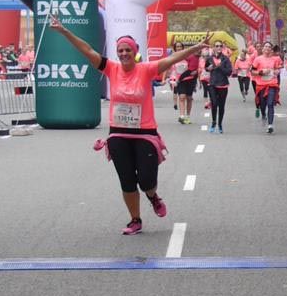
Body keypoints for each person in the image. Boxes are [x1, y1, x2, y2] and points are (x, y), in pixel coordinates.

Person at [48, 15, 208, 234]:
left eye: (128, 50)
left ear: (135, 52)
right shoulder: (111, 68)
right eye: (121, 50)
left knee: (146, 180)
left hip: (145, 133)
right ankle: (135, 220)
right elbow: (87, 50)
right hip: (118, 134)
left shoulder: (146, 69)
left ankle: (152, 196)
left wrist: (196, 48)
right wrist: (65, 31)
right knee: (127, 180)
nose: (124, 53)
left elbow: (173, 58)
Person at [253, 42, 283, 133]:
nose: (267, 48)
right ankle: (263, 114)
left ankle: (270, 125)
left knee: (270, 104)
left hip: (272, 84)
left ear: (271, 49)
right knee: (262, 104)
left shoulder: (275, 59)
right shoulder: (258, 59)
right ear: (263, 48)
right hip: (261, 85)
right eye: (266, 46)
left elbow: (278, 69)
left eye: (269, 47)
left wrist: (277, 71)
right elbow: (252, 71)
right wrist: (261, 72)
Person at [205, 40, 233, 134]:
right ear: (214, 47)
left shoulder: (225, 59)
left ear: (222, 47)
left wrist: (220, 66)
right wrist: (208, 68)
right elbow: (206, 68)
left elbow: (229, 72)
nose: (219, 47)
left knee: (221, 105)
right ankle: (213, 122)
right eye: (217, 46)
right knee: (214, 103)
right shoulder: (209, 58)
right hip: (212, 84)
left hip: (223, 84)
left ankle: (220, 124)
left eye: (220, 46)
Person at [175, 42, 200, 125]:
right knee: (182, 97)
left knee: (189, 98)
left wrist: (196, 73)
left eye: (180, 46)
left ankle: (188, 116)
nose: (179, 48)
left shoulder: (190, 56)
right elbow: (170, 68)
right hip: (180, 81)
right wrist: (171, 79)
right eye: (177, 47)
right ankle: (182, 116)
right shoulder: (174, 57)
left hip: (190, 80)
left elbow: (195, 68)